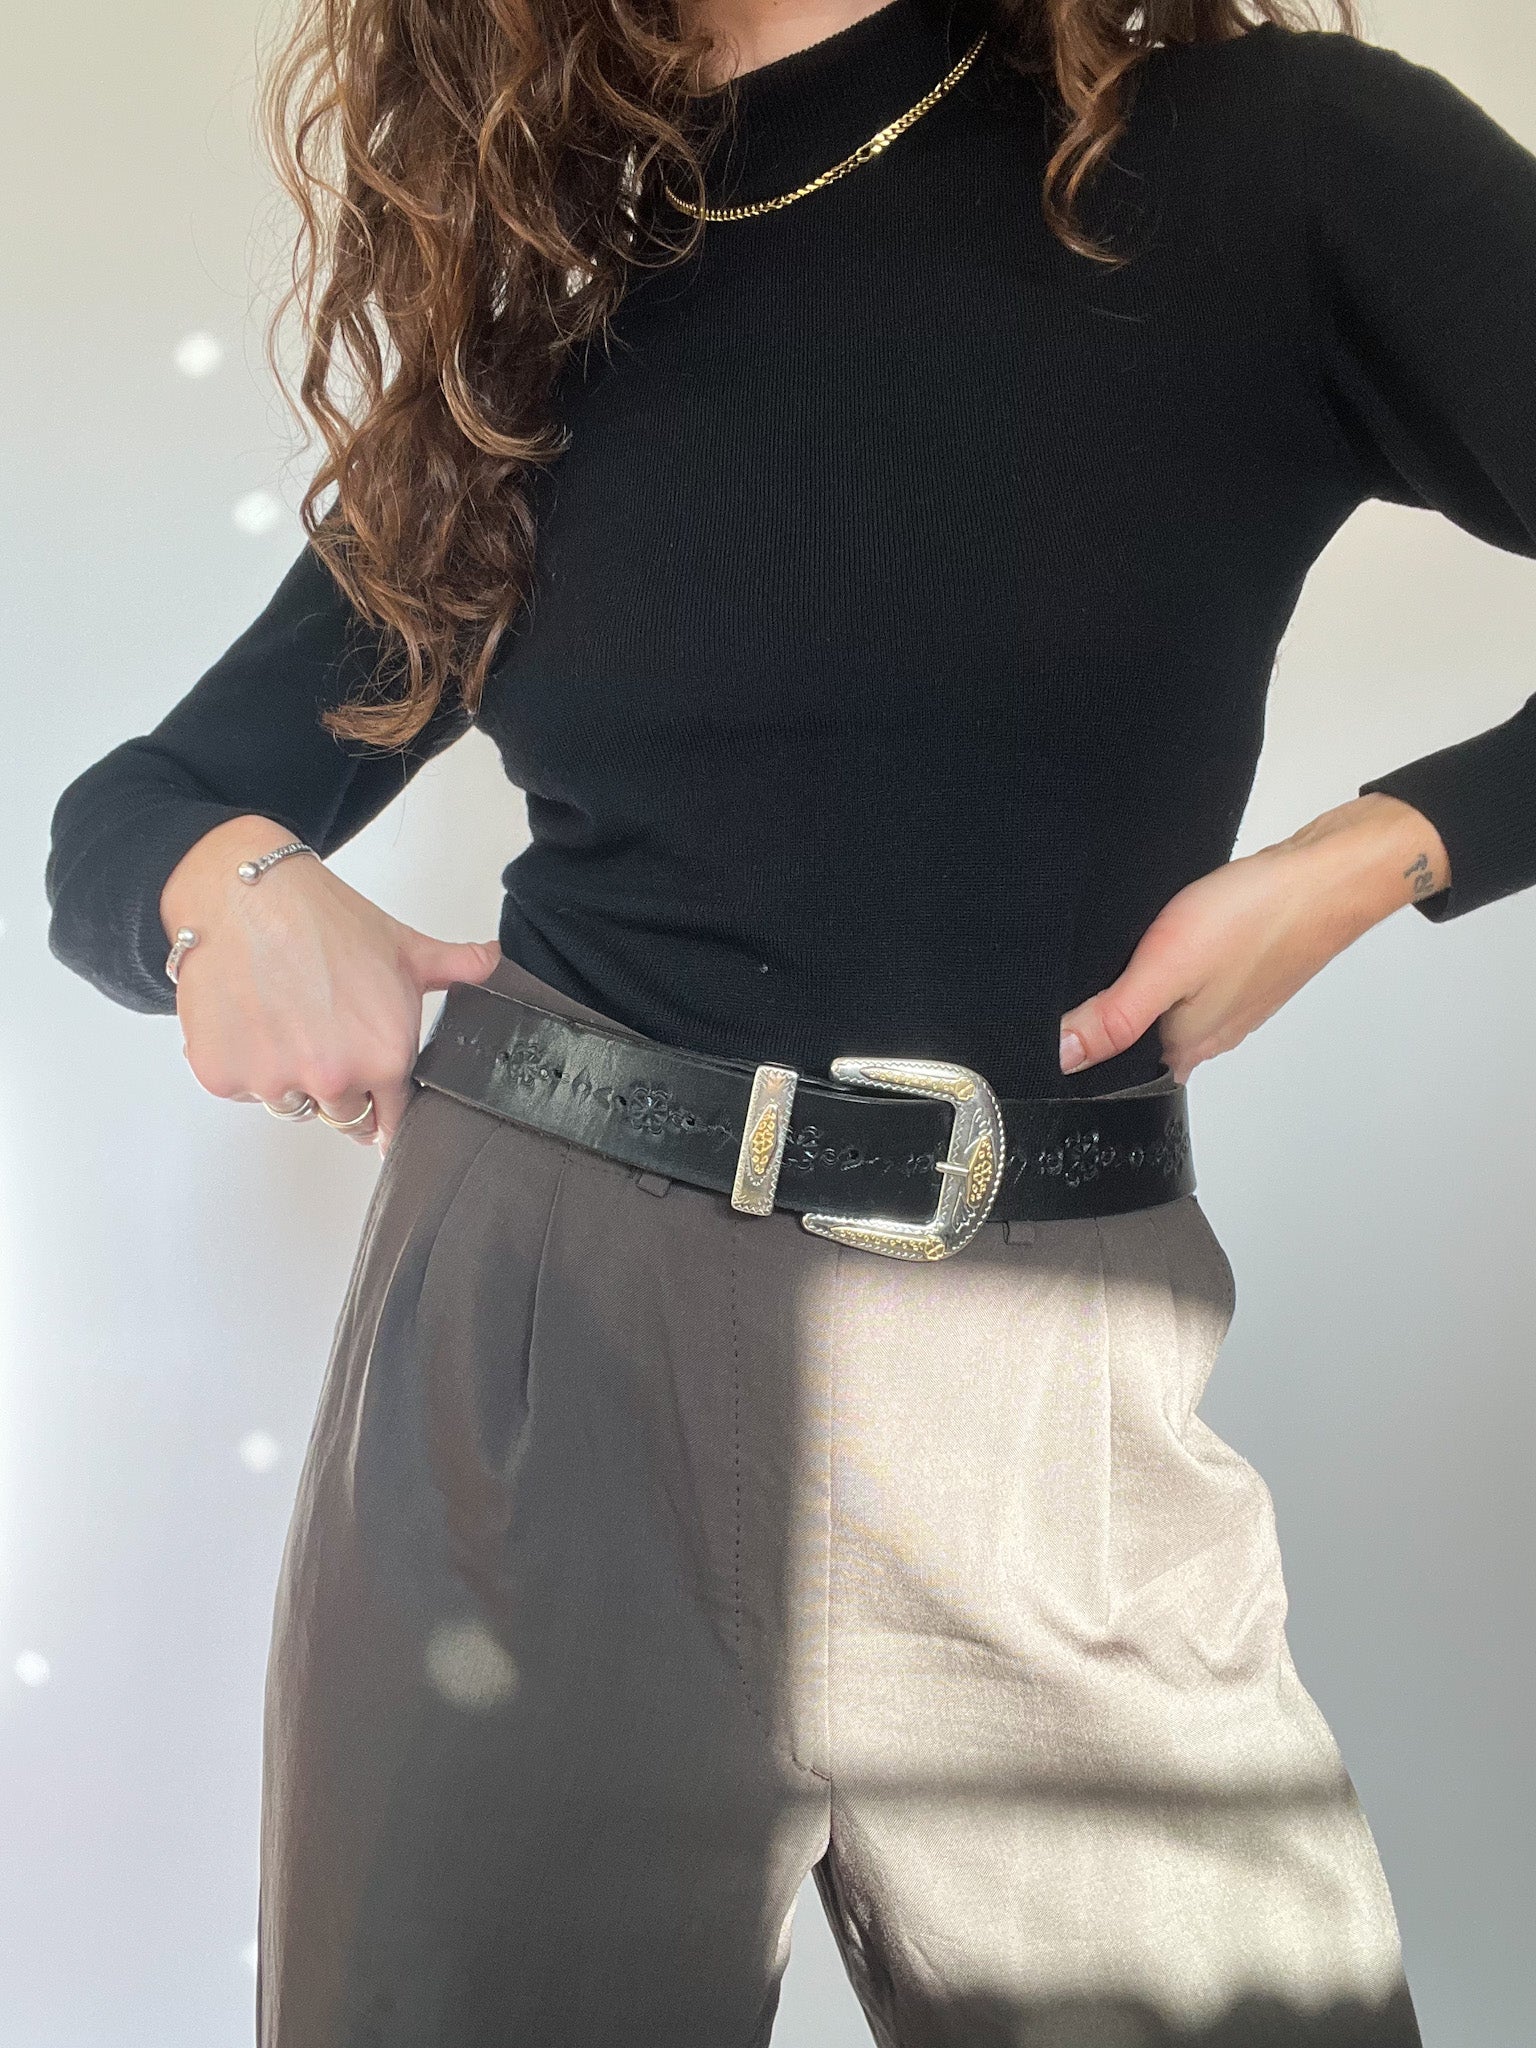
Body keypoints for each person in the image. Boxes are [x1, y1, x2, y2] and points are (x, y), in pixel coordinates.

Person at [42, 0, 1536, 2037]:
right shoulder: (553, 304)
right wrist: (233, 888)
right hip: (542, 1359)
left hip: (1054, 1399)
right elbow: (126, 819)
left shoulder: (1268, 156)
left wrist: (1391, 847)